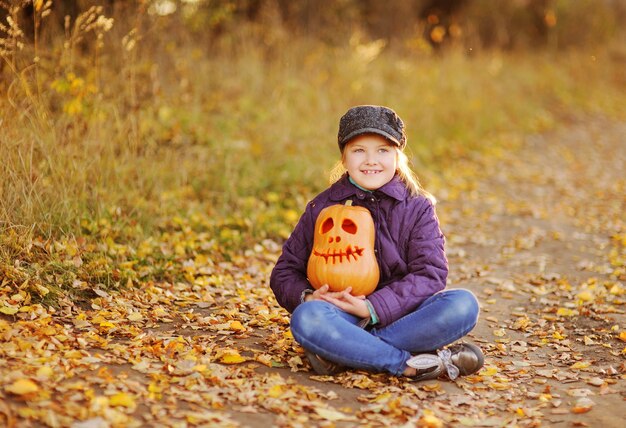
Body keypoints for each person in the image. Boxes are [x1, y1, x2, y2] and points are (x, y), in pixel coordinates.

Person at [270, 105, 483, 381]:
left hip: (404, 317)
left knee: (463, 304)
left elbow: (430, 274)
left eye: (382, 150)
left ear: (397, 156)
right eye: (359, 150)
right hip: (340, 315)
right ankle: (406, 363)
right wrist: (308, 297)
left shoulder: (416, 207)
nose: (371, 160)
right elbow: (284, 272)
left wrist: (373, 308)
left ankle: (347, 350)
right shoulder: (323, 207)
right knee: (307, 318)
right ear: (344, 158)